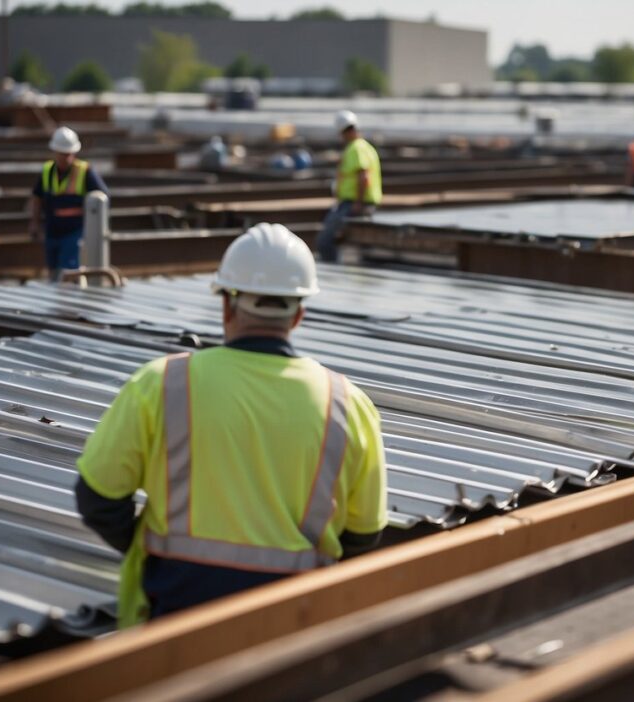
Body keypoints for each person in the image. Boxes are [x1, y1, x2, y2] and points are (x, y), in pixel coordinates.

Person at [74, 222, 388, 627]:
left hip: (174, 611)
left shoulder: (160, 384)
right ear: (299, 315)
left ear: (226, 306)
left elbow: (97, 499)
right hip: (296, 622)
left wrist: (151, 549)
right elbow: (364, 535)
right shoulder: (348, 403)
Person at [29, 126, 108, 282]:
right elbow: (37, 197)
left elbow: (102, 197)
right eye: (62, 154)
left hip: (74, 231)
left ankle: (69, 299)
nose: (65, 158)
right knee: (53, 270)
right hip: (52, 229)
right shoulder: (47, 171)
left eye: (68, 154)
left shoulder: (84, 171)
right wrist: (34, 223)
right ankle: (56, 299)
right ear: (55, 152)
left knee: (69, 269)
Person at [316, 110, 382, 262]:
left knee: (325, 241)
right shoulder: (366, 147)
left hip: (353, 204)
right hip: (358, 203)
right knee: (341, 240)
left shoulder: (356, 148)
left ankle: (331, 272)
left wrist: (357, 203)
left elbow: (363, 177)